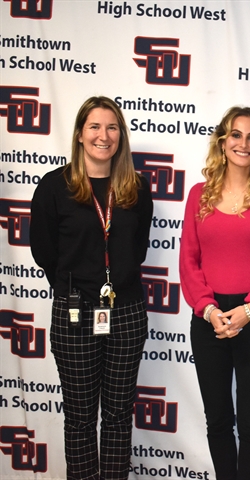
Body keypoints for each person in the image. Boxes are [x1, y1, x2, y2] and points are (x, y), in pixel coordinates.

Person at [30, 96, 153, 479]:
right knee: (80, 416)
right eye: (95, 127)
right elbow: (44, 250)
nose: (104, 135)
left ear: (122, 136)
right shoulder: (55, 186)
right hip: (75, 313)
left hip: (127, 311)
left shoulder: (135, 188)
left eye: (112, 127)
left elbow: (139, 247)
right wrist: (77, 286)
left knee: (118, 415)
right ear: (81, 135)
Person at [179, 106, 250, 480]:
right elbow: (188, 260)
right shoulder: (198, 194)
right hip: (208, 320)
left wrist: (249, 309)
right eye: (236, 135)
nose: (244, 143)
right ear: (223, 141)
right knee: (219, 419)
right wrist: (210, 311)